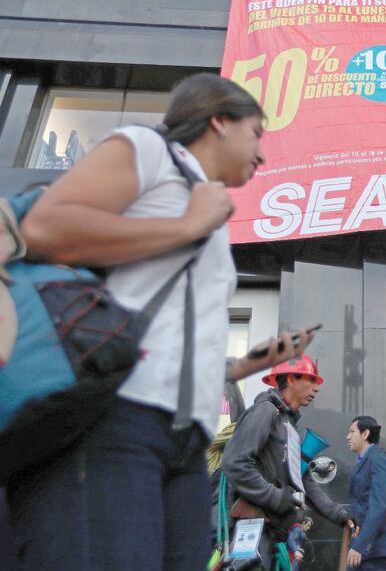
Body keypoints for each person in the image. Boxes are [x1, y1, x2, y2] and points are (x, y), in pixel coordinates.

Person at [6, 72, 315, 571]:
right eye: (256, 133)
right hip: (118, 417)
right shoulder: (149, 151)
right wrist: (186, 226)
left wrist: (255, 360)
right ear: (219, 121)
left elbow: (177, 336)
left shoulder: (206, 201)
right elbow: (44, 226)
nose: (262, 154)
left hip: (182, 440)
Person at [222, 355, 357, 570]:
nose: (316, 388)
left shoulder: (289, 425)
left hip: (274, 533)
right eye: (311, 380)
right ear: (292, 380)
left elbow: (304, 481)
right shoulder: (265, 412)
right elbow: (235, 463)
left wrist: (340, 515)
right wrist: (276, 497)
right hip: (254, 531)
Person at [345, 415, 386, 570]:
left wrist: (360, 545)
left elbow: (379, 507)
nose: (347, 436)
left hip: (375, 553)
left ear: (365, 434)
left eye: (352, 431)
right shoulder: (367, 459)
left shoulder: (378, 460)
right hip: (365, 551)